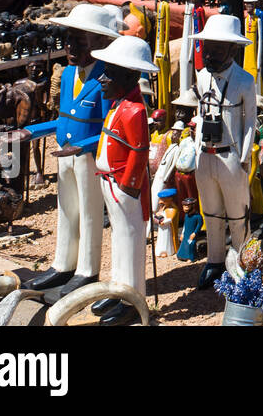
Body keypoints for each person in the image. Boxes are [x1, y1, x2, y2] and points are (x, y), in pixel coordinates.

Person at [25, 3, 123, 296]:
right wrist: (29, 132)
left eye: (80, 40)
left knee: (90, 213)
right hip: (64, 153)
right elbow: (63, 119)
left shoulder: (108, 77)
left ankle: (86, 270)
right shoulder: (68, 74)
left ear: (101, 42)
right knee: (66, 210)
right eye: (68, 38)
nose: (69, 45)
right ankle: (62, 264)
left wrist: (82, 146)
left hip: (88, 156)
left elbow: (111, 127)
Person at [185, 14, 257, 289]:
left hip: (231, 156)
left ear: (232, 49)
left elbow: (250, 120)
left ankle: (240, 261)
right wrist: (195, 148)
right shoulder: (202, 77)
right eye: (207, 47)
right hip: (205, 155)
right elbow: (201, 114)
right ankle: (214, 261)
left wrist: (244, 156)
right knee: (211, 212)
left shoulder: (244, 81)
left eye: (217, 47)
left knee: (238, 215)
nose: (210, 53)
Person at [88, 35, 157, 326]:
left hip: (124, 187)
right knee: (118, 238)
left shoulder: (135, 110)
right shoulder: (119, 104)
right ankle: (118, 291)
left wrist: (129, 183)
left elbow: (140, 151)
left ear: (128, 75)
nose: (102, 78)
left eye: (110, 73)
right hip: (111, 183)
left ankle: (132, 299)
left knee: (130, 242)